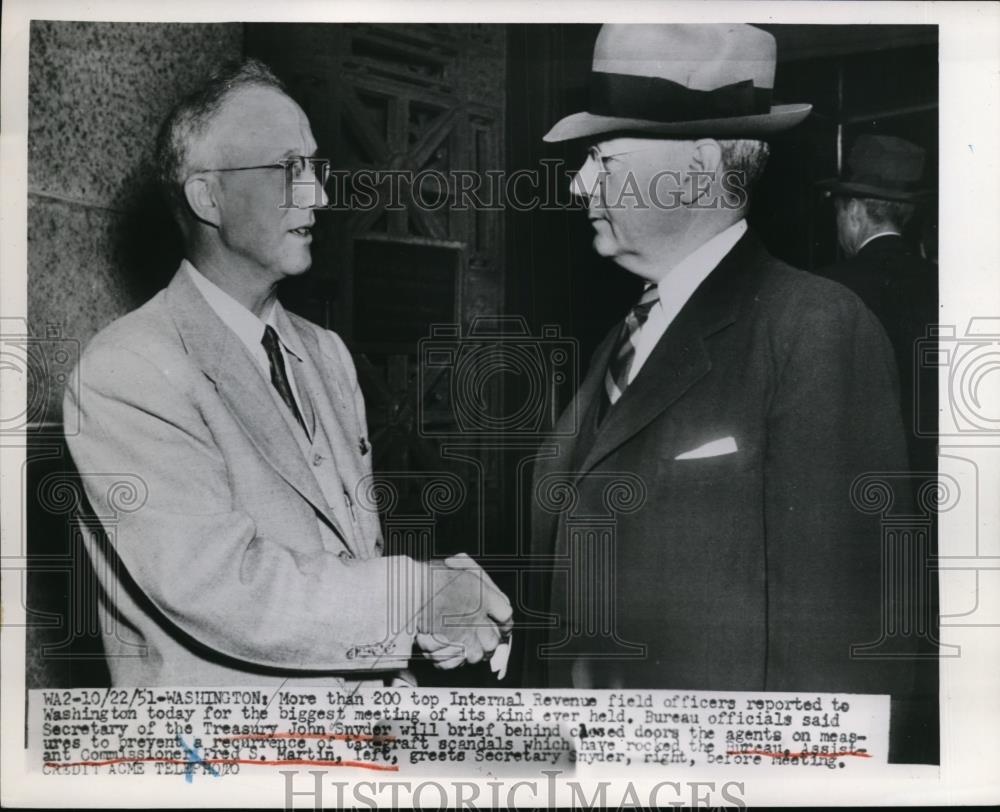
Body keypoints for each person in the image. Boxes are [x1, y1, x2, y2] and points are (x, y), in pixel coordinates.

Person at [523, 24, 925, 760]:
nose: (580, 182)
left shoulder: (816, 329)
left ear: (700, 166)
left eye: (602, 157)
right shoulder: (628, 336)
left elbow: (844, 648)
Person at [64, 59, 511, 687]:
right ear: (206, 196)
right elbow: (225, 588)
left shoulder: (323, 352)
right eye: (287, 169)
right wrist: (415, 595)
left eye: (314, 167)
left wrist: (426, 615)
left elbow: (336, 560)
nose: (319, 195)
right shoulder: (127, 371)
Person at [818, 134, 937, 472]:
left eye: (838, 211)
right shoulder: (944, 282)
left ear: (854, 211)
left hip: (861, 475)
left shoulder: (827, 288)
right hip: (932, 473)